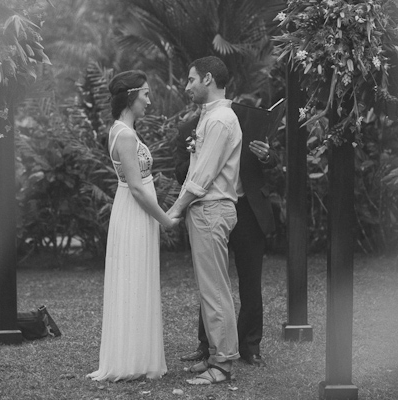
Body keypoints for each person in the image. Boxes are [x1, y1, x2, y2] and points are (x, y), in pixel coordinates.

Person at [87, 70, 180, 382]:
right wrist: (166, 219)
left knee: (138, 279)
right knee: (132, 280)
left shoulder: (122, 130)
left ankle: (138, 355)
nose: (149, 101)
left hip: (134, 213)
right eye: (146, 94)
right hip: (134, 212)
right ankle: (129, 360)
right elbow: (138, 188)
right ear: (131, 96)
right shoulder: (124, 135)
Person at [174, 102, 279, 368]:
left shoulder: (244, 124)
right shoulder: (189, 129)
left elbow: (274, 163)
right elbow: (179, 174)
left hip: (248, 210)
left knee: (251, 281)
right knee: (212, 279)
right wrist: (195, 155)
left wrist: (267, 155)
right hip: (213, 206)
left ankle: (250, 346)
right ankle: (206, 344)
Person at [167, 56, 242, 385]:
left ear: (208, 79)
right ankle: (216, 354)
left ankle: (222, 364)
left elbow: (202, 175)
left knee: (214, 290)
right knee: (209, 288)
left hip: (211, 209)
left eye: (191, 79)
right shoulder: (211, 117)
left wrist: (175, 209)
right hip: (206, 210)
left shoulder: (220, 120)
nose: (187, 86)